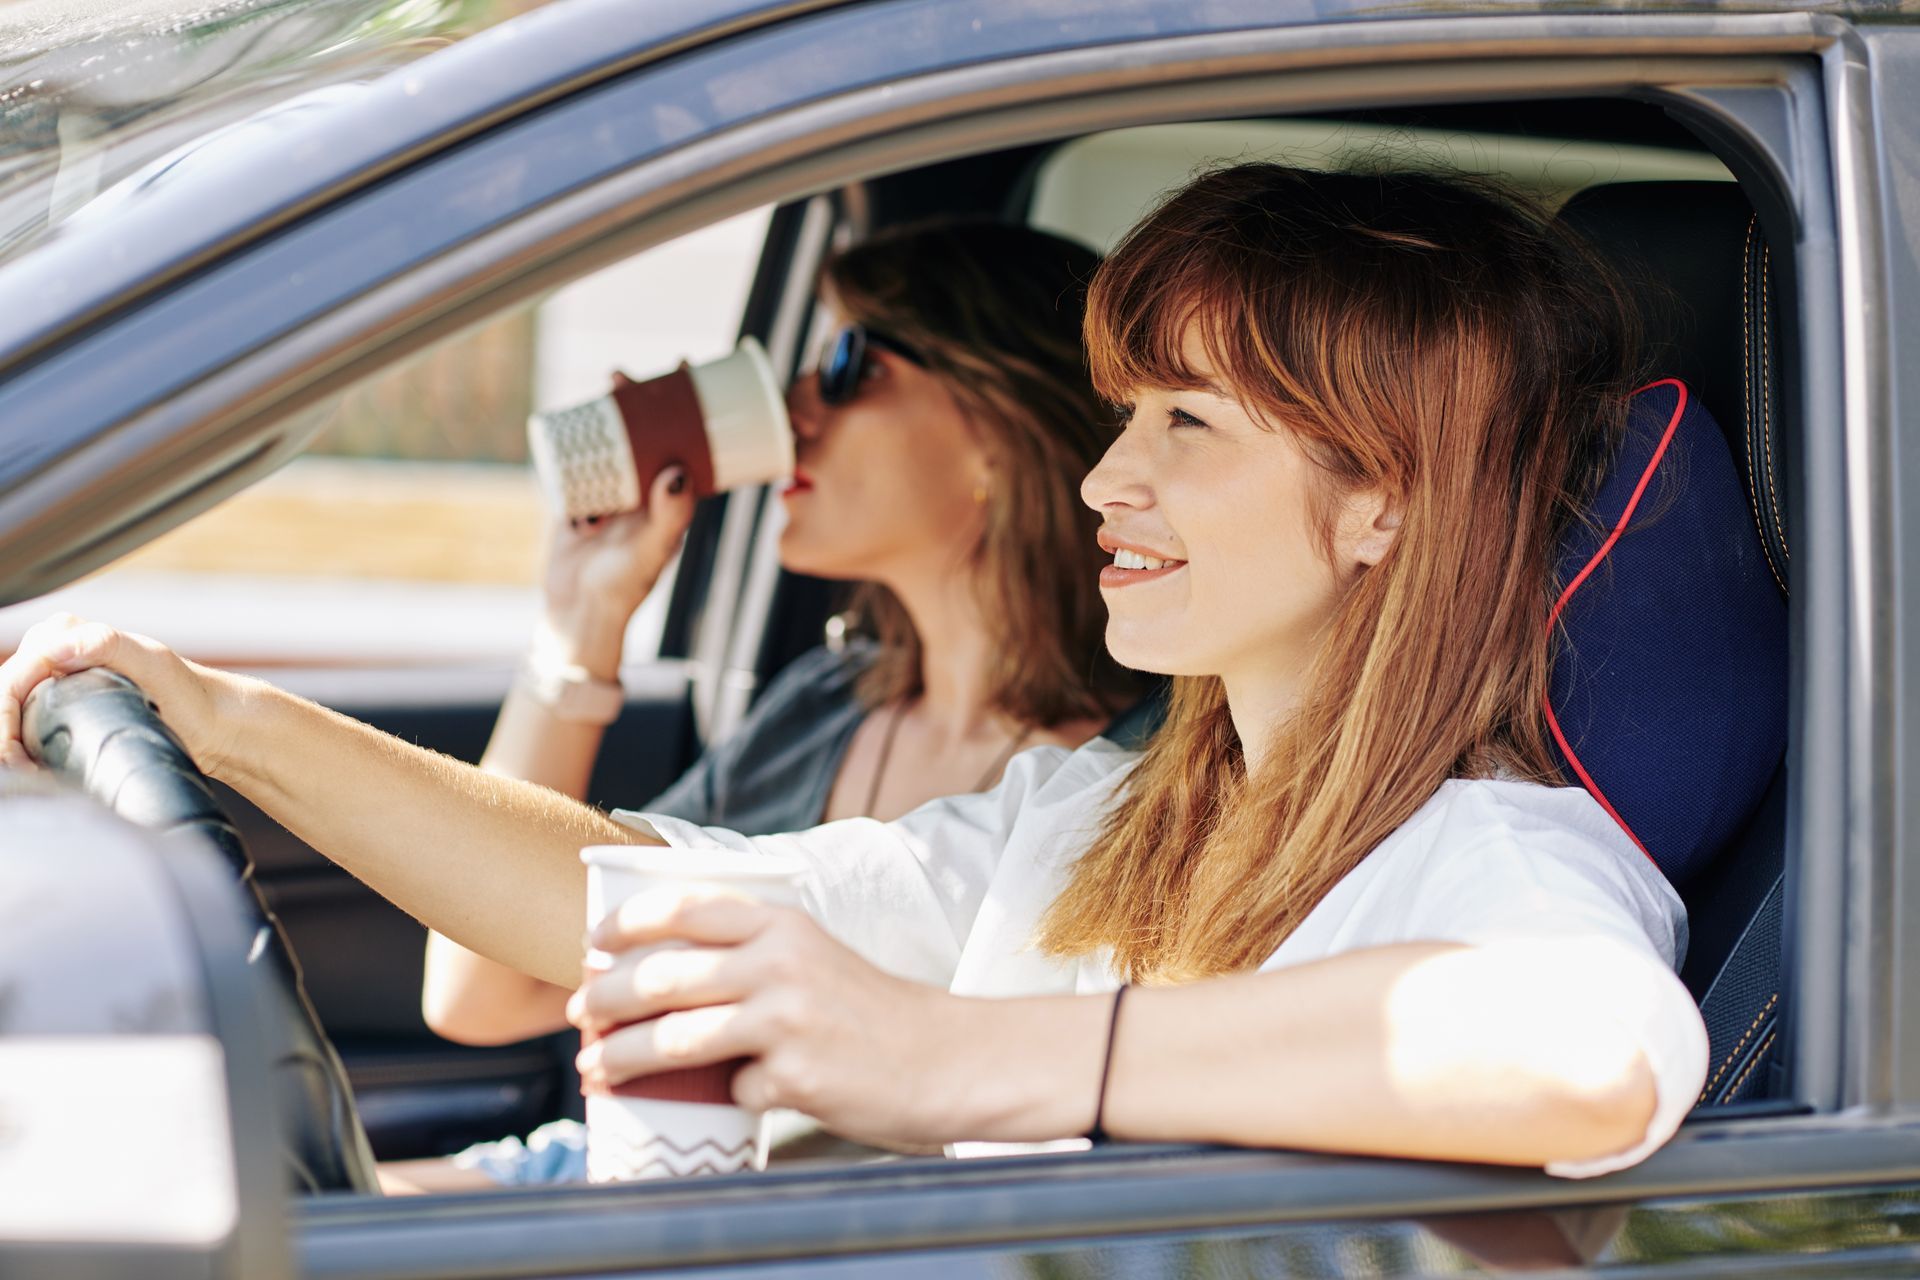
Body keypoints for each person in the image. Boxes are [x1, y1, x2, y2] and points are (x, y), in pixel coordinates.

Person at [0, 163, 1710, 1178]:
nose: (1115, 476)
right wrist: (230, 723)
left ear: (1380, 506)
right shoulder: (1093, 812)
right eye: (1122, 418)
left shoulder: (1497, 860)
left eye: (1187, 425)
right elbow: (625, 896)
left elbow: (1596, 1047)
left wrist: (950, 1058)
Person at [419, 220, 1140, 1187]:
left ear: (999, 427)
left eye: (846, 364)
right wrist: (583, 621)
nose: (795, 409)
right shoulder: (824, 707)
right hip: (638, 1169)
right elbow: (482, 992)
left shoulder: (1124, 781)